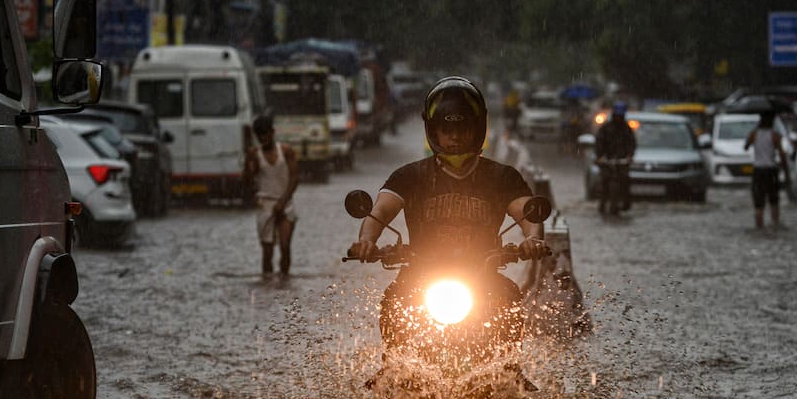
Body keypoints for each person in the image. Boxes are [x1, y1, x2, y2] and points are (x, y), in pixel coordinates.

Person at [348, 76, 550, 348]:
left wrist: (532, 240)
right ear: (434, 131)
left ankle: (508, 370)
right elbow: (381, 211)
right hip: (420, 277)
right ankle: (393, 368)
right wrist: (367, 242)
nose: (454, 137)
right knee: (394, 299)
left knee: (510, 295)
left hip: (483, 276)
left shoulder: (502, 177)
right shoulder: (410, 176)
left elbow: (527, 212)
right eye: (446, 129)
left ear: (477, 129)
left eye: (463, 128)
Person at [247, 113, 300, 275]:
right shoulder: (255, 155)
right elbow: (248, 181)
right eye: (260, 136)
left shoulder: (286, 151)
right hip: (265, 204)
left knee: (285, 246)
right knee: (267, 250)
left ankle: (284, 279)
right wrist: (248, 166)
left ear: (273, 132)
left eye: (266, 134)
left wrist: (282, 202)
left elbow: (294, 178)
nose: (264, 138)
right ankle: (268, 281)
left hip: (285, 204)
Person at [744, 111, 790, 229]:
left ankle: (759, 227)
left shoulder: (754, 134)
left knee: (758, 202)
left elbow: (745, 147)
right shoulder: (775, 135)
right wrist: (786, 171)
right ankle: (775, 225)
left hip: (758, 171)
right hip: (771, 171)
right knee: (774, 200)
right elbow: (782, 155)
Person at [594, 101, 637, 213]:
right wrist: (601, 156)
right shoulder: (605, 128)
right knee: (604, 181)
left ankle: (626, 202)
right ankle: (602, 204)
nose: (618, 117)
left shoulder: (627, 129)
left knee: (625, 180)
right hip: (607, 160)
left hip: (622, 161)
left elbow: (631, 144)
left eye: (620, 115)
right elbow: (599, 143)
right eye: (617, 115)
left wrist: (629, 156)